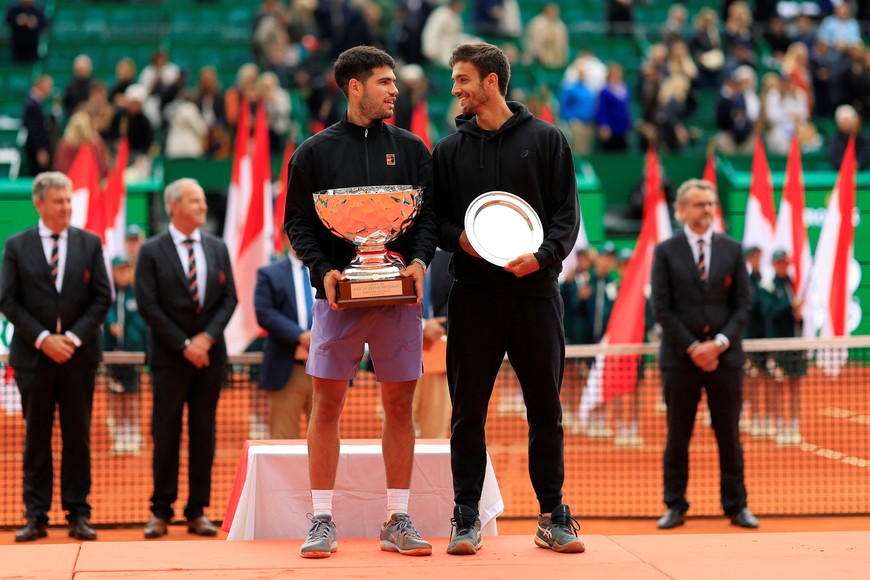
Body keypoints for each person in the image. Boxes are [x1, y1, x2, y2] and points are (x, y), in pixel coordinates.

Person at [284, 45, 437, 559]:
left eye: (394, 82)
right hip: (337, 299)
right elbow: (298, 224)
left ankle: (397, 518)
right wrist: (324, 270)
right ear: (354, 87)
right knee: (326, 406)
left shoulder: (414, 149)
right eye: (384, 82)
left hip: (399, 299)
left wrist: (417, 264)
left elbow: (427, 221)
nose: (394, 90)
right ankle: (322, 518)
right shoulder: (311, 153)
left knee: (399, 406)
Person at [432, 42, 584, 555]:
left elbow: (567, 216)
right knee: (466, 413)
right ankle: (465, 516)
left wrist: (542, 258)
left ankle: (552, 515)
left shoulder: (546, 139)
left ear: (491, 82)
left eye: (463, 80)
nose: (455, 89)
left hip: (536, 295)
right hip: (473, 297)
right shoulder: (448, 150)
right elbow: (435, 220)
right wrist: (461, 240)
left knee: (546, 410)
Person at [0, 171, 111, 542]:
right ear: (39, 203)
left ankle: (78, 513)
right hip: (34, 359)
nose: (66, 207)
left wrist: (74, 339)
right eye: (59, 201)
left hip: (79, 359)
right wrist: (45, 338)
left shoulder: (90, 243)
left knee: (77, 437)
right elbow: (8, 300)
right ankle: (36, 515)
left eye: (68, 201)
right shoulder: (16, 245)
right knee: (36, 439)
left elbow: (102, 297)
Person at [650, 178, 758, 530]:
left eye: (711, 203)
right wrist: (695, 348)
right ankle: (674, 505)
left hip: (725, 361)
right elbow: (662, 309)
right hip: (680, 361)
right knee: (677, 435)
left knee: (729, 434)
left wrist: (720, 344)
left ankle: (737, 506)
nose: (708, 210)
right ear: (682, 209)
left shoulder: (732, 248)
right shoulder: (665, 251)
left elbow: (744, 305)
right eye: (700, 204)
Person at [135, 178, 238, 539]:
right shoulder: (150, 251)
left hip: (210, 357)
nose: (203, 206)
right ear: (173, 206)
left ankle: (198, 511)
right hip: (169, 358)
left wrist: (206, 339)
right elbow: (147, 304)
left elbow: (230, 299)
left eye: (203, 201)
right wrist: (184, 344)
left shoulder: (217, 247)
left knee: (203, 433)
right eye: (195, 201)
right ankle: (160, 512)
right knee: (165, 434)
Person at [253, 234, 314, 440]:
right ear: (287, 239)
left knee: (326, 439)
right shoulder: (269, 274)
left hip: (325, 369)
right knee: (283, 439)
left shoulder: (329, 273)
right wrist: (301, 336)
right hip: (287, 369)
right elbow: (264, 313)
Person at [762, 250, 807, 446]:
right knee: (777, 385)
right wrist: (789, 305)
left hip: (795, 344)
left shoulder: (793, 284)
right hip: (776, 343)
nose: (783, 266)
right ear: (773, 264)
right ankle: (779, 424)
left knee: (795, 384)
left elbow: (797, 316)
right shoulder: (768, 286)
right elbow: (768, 311)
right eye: (779, 263)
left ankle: (794, 425)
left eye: (785, 263)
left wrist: (799, 316)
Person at [103, 255, 147, 455]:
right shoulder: (108, 295)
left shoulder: (138, 294)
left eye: (126, 269)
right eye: (119, 269)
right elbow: (105, 316)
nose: (123, 273)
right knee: (116, 395)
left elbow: (142, 325)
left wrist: (131, 340)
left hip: (133, 356)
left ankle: (133, 432)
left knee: (133, 395)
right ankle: (120, 433)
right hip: (113, 356)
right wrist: (111, 329)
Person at [22, 75, 54, 177]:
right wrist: (40, 149)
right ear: (42, 86)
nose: (50, 90)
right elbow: (34, 130)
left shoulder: (37, 103)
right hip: (35, 148)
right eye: (49, 87)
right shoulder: (32, 104)